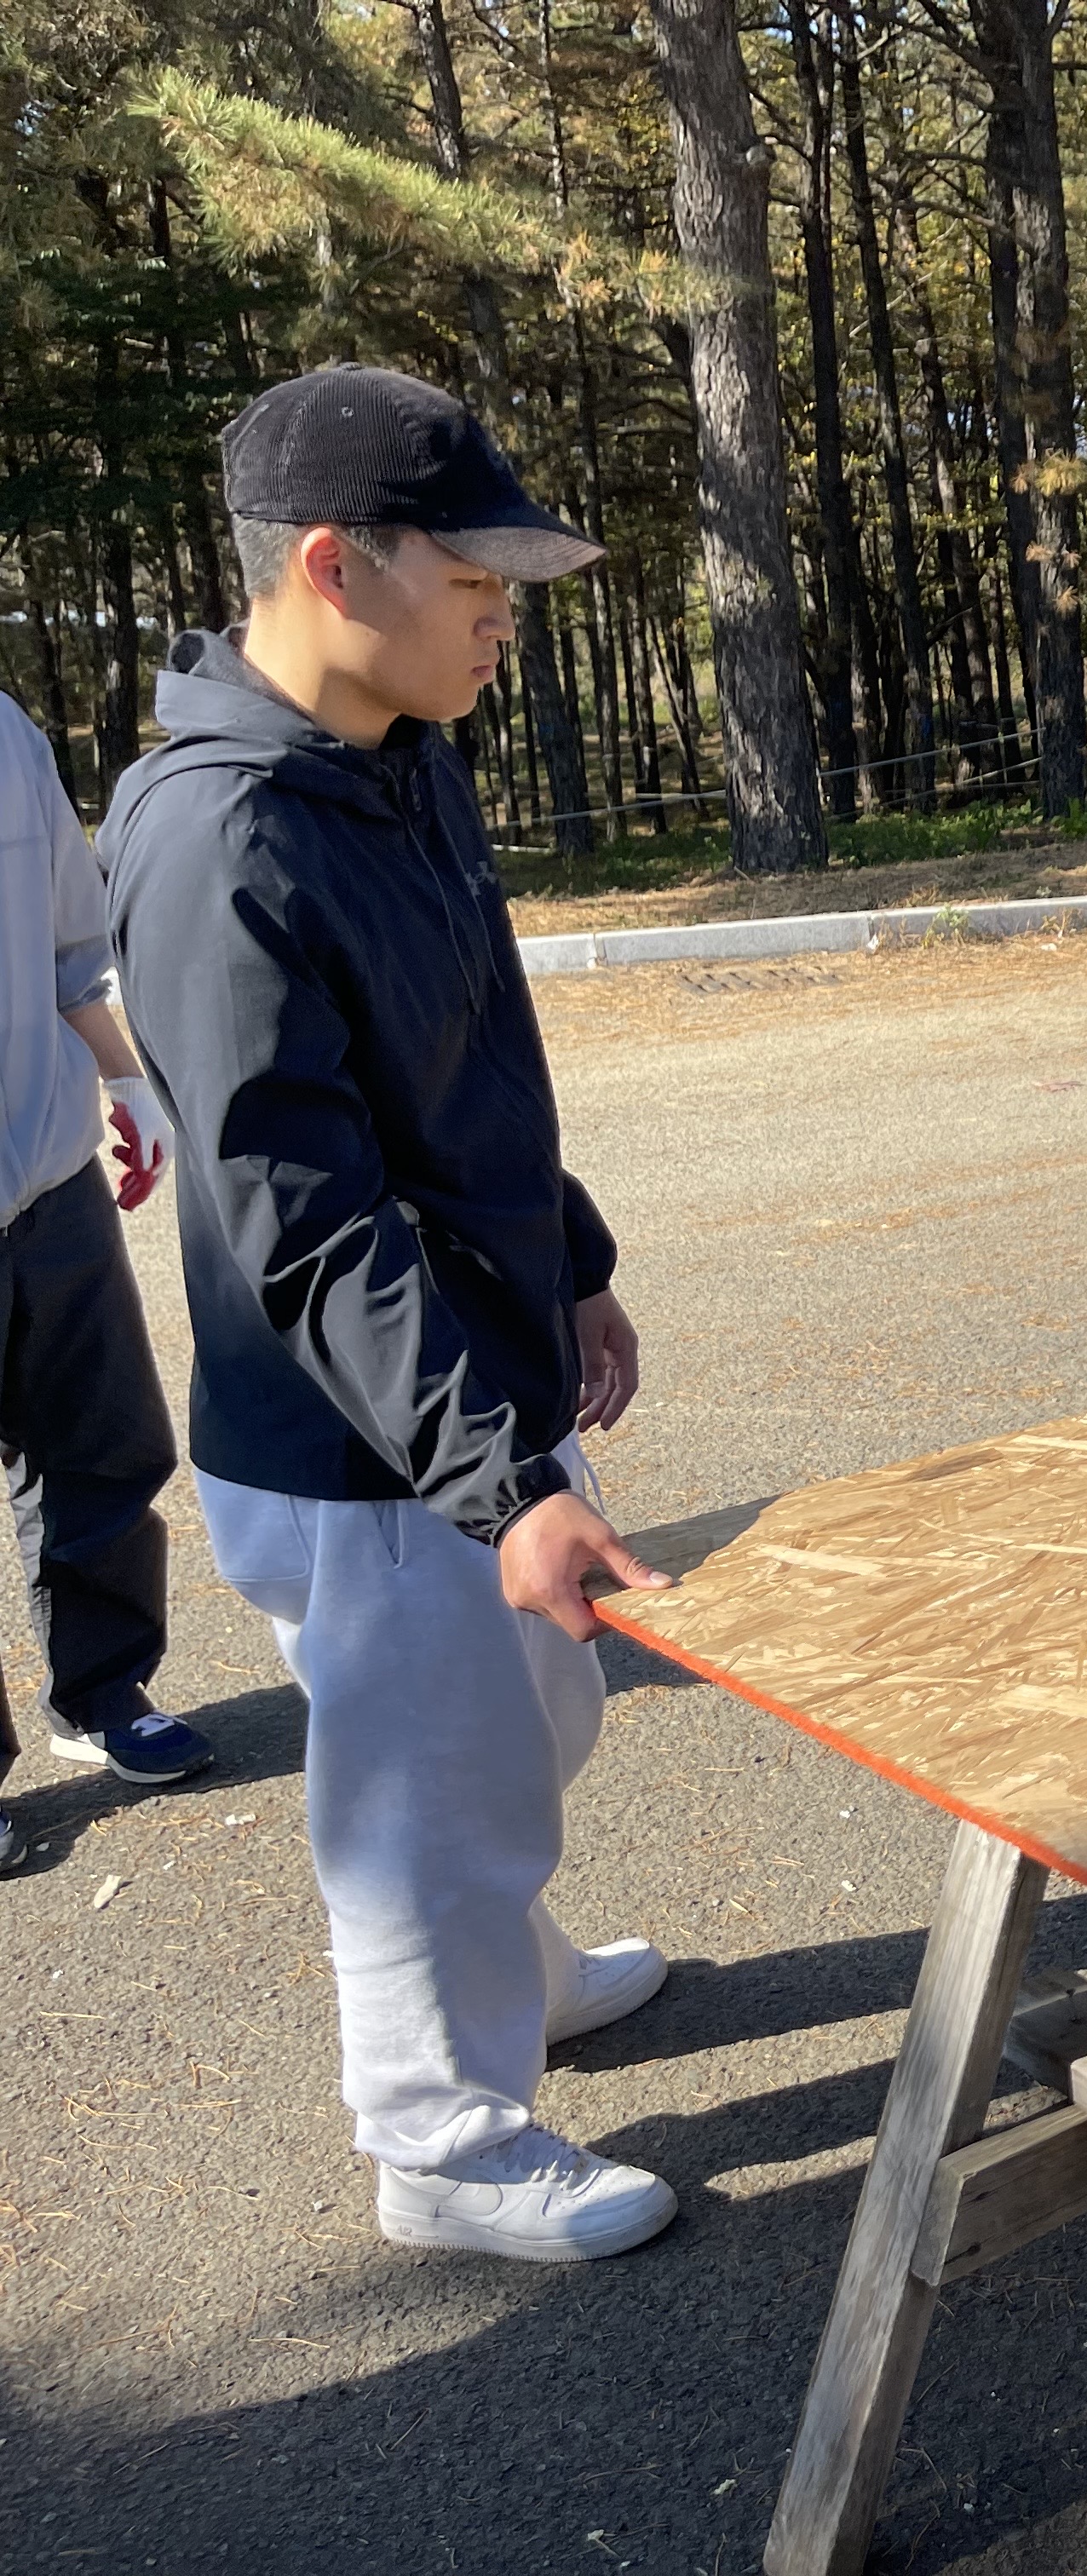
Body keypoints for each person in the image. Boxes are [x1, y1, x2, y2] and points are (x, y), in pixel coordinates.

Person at [103, 365, 680, 2263]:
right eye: (479, 580)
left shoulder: (398, 758)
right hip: (365, 1441)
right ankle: (441, 2138)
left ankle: (507, 1967)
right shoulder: (223, 837)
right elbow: (305, 1219)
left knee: (525, 1717)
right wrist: (501, 1479)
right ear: (337, 567)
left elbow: (474, 1054)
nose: (507, 617)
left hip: (469, 1384)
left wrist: (570, 1251)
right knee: (423, 1783)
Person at [0, 691, 211, 1878]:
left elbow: (69, 942)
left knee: (101, 1444)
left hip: (47, 1169)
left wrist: (124, 1081)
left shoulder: (6, 734)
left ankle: (103, 1690)